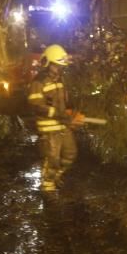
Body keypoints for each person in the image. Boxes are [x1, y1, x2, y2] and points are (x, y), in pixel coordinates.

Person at [27, 44, 83, 192]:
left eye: (61, 66)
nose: (60, 69)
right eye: (57, 66)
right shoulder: (38, 82)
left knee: (70, 154)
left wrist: (71, 113)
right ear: (48, 63)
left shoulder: (60, 80)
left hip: (62, 125)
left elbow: (65, 102)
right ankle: (48, 188)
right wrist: (58, 114)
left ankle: (56, 175)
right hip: (48, 128)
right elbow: (35, 105)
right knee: (52, 160)